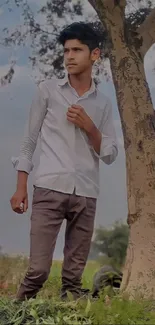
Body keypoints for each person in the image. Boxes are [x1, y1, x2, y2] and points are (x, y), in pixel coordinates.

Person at [10, 22, 118, 301]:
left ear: (95, 55)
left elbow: (110, 154)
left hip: (86, 194)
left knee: (72, 280)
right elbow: (28, 141)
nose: (69, 56)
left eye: (77, 50)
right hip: (49, 189)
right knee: (38, 271)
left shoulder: (103, 104)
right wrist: (21, 186)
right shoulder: (48, 91)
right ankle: (11, 315)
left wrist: (90, 127)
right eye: (66, 50)